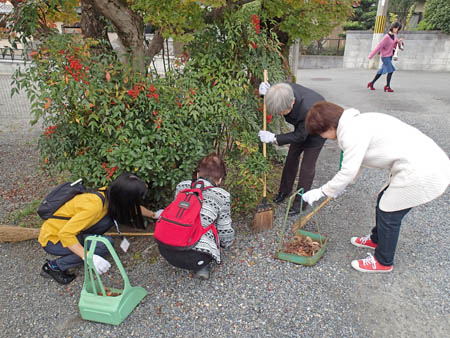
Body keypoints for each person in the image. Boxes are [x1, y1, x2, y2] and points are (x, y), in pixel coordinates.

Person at [303, 101, 450, 273]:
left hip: (423, 169)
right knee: (383, 200)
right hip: (419, 162)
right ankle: (376, 239)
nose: (322, 137)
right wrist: (340, 187)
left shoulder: (351, 132)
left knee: (390, 213)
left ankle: (383, 261)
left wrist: (322, 191)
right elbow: (356, 164)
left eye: (322, 133)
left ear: (329, 126)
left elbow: (349, 170)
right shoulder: (355, 122)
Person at [38, 172, 157, 284]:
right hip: (54, 239)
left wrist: (154, 215)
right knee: (105, 245)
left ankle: (87, 244)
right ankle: (54, 267)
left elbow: (130, 207)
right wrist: (88, 256)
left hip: (74, 230)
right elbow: (65, 234)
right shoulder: (94, 207)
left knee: (110, 218)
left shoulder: (109, 195)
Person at [157, 153, 234, 280]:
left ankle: (180, 256)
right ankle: (202, 267)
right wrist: (226, 244)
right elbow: (224, 229)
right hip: (197, 257)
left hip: (165, 250)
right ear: (220, 179)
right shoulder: (222, 195)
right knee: (210, 224)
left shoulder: (182, 186)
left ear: (198, 174)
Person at [257, 82, 326, 215]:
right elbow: (277, 98)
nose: (281, 114)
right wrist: (267, 94)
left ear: (292, 102)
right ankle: (284, 191)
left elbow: (300, 136)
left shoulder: (307, 110)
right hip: (301, 126)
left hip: (319, 128)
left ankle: (300, 202)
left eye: (283, 112)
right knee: (291, 158)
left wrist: (275, 138)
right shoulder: (284, 90)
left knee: (307, 167)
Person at [367, 21, 404, 92]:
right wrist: (371, 55)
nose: (397, 30)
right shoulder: (386, 37)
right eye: (396, 28)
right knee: (391, 70)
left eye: (398, 29)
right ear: (392, 27)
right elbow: (379, 46)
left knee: (381, 71)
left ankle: (371, 83)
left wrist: (399, 41)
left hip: (390, 56)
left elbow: (395, 42)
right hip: (385, 57)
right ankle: (387, 86)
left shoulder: (395, 35)